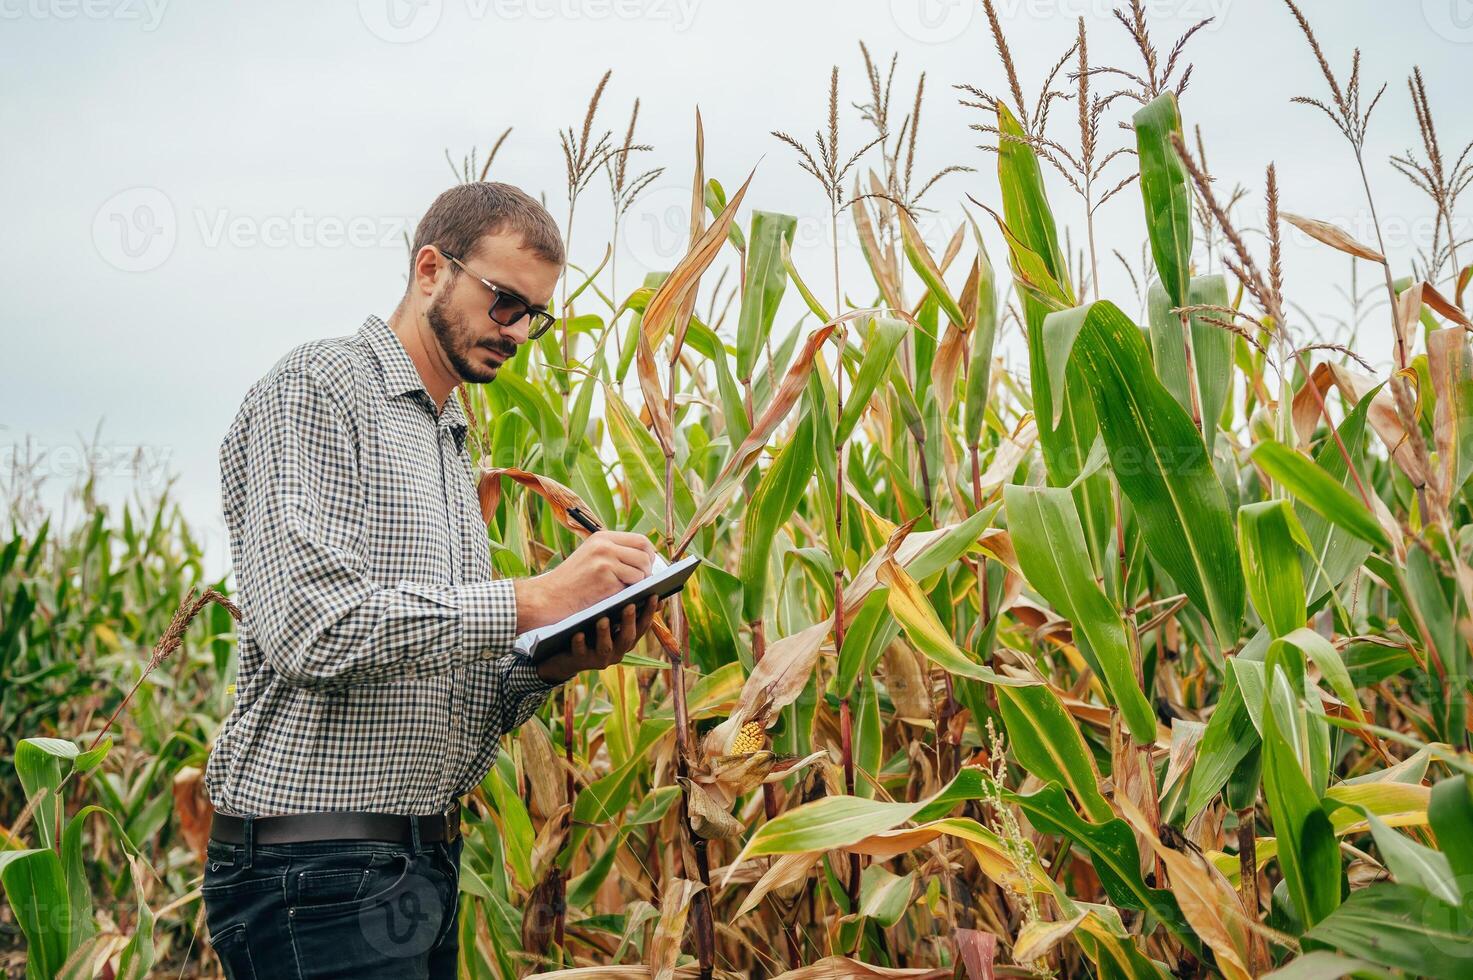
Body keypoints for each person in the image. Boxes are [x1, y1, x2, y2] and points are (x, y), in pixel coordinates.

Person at [200, 181, 660, 978]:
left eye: (534, 316)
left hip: (420, 865)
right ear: (428, 270)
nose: (517, 333)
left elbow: (441, 689)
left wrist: (550, 662)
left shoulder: (448, 440)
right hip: (317, 874)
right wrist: (537, 596)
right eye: (504, 301)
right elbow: (315, 631)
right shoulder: (318, 390)